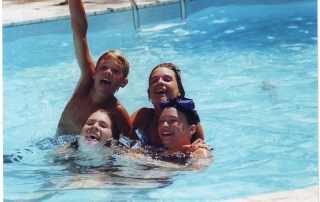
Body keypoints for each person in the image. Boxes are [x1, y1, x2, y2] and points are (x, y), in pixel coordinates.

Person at [56, 0, 133, 137]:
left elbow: (133, 145)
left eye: (115, 71)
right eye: (103, 67)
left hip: (82, 157)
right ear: (94, 73)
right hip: (55, 149)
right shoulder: (86, 81)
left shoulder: (116, 111)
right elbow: (80, 33)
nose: (108, 72)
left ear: (123, 83)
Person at [130, 63, 205, 148]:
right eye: (154, 81)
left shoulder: (188, 121)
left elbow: (200, 150)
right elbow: (121, 133)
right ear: (149, 93)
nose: (160, 82)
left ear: (179, 90)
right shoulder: (144, 116)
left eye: (167, 79)